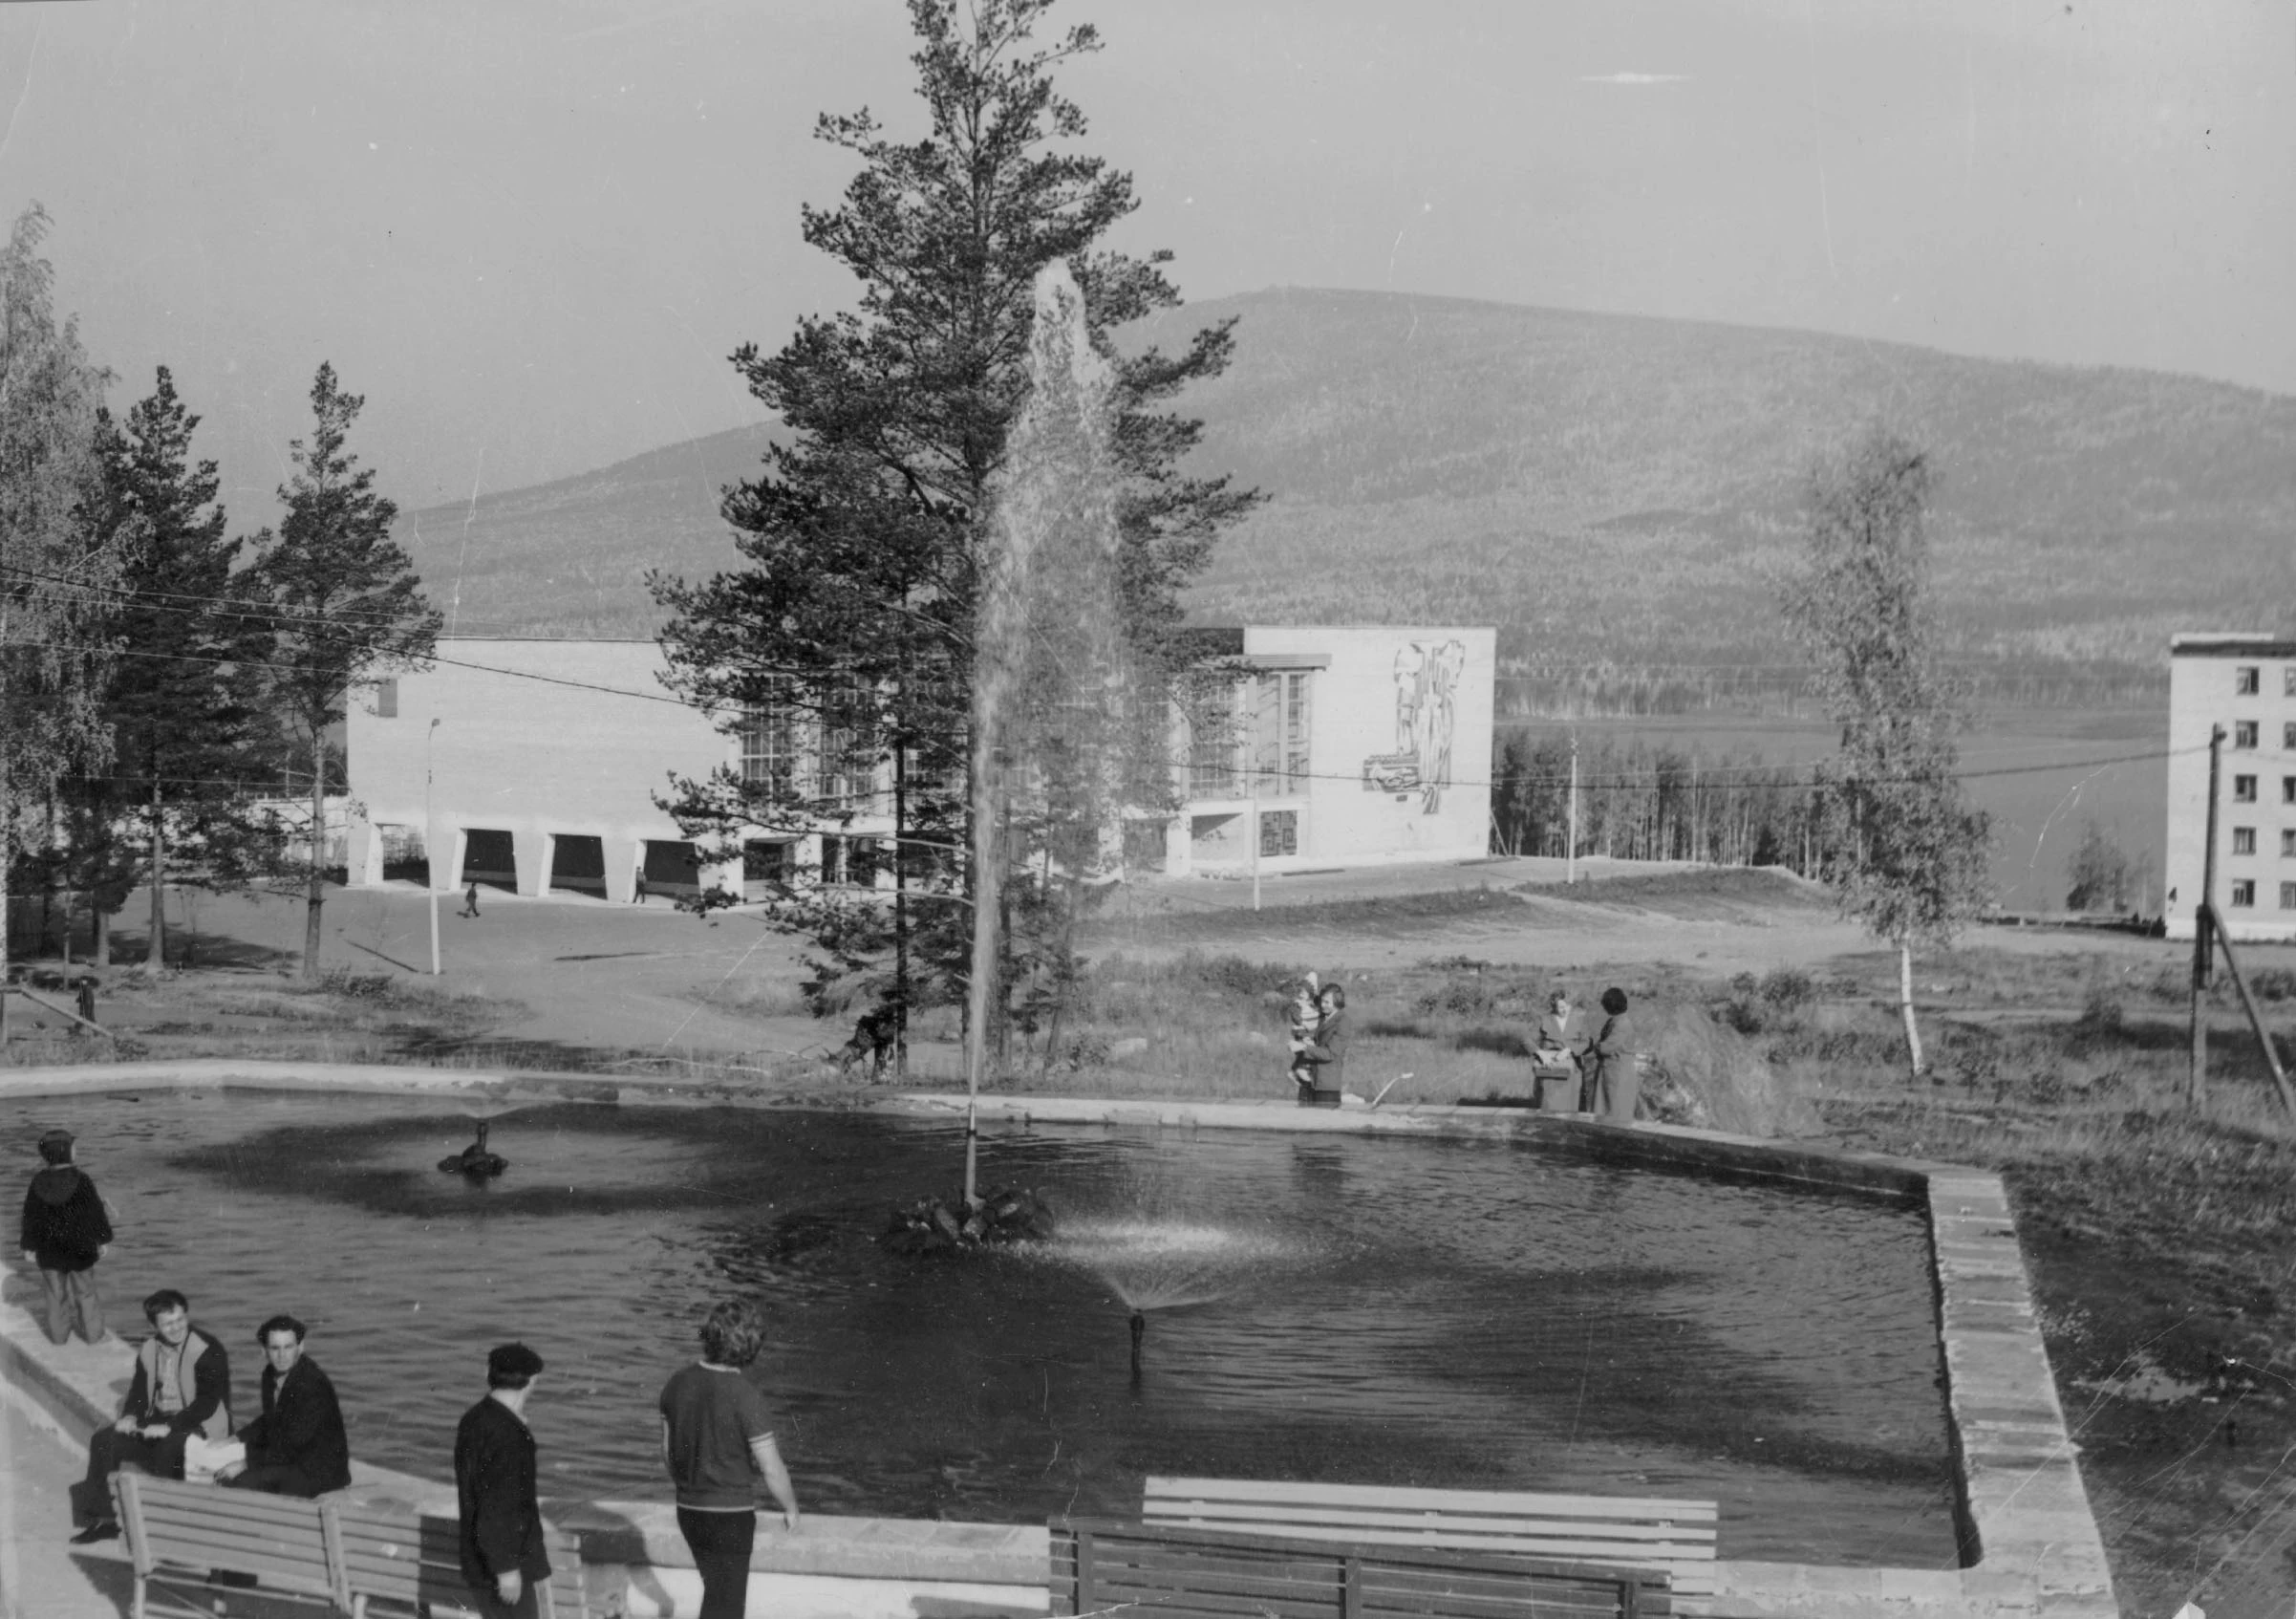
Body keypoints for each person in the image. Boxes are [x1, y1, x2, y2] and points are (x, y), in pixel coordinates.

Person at [659, 1301, 803, 1619]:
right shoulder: (746, 1396)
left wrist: (691, 1486)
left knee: (716, 1595)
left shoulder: (676, 1383)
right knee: (726, 1606)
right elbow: (772, 1469)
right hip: (730, 1516)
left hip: (688, 1510)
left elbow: (668, 1454)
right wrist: (791, 1507)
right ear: (751, 1347)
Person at [71, 1289, 233, 1542]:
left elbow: (208, 1402)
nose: (176, 1328)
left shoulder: (208, 1349)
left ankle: (167, 1528)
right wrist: (130, 1416)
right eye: (168, 1324)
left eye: (180, 1320)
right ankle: (105, 1519)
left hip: (200, 1423)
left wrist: (171, 1426)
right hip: (162, 1420)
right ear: (153, 1326)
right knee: (104, 1441)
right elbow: (139, 1392)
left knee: (168, 1448)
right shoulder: (149, 1348)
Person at [455, 1343, 551, 1619]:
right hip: (505, 1565)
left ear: (488, 1373)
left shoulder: (474, 1419)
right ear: (532, 1381)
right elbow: (498, 1506)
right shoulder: (509, 1435)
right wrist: (507, 1570)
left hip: (478, 1560)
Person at [215, 1315, 352, 1498]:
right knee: (222, 1470)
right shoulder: (269, 1375)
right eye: (275, 1348)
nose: (282, 1355)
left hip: (319, 1471)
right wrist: (236, 1438)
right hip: (292, 1460)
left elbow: (292, 1444)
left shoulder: (312, 1384)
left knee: (240, 1482)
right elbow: (272, 1418)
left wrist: (246, 1463)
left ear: (300, 1347)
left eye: (288, 1347)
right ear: (264, 1351)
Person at [20, 1127, 113, 1346]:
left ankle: (59, 1336)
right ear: (65, 1152)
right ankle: (94, 1335)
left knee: (55, 1294)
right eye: (73, 1147)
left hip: (49, 1249)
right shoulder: (82, 1180)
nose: (76, 1150)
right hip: (80, 1247)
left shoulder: (38, 1181)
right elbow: (94, 1212)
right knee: (85, 1292)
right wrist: (102, 1239)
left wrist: (29, 1246)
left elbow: (30, 1215)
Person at [1584, 986, 1639, 1122]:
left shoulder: (1622, 1024)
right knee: (1607, 1110)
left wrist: (1589, 1050)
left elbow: (1606, 1047)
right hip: (1611, 1071)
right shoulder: (1615, 1021)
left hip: (1618, 1073)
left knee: (1615, 1111)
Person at [1530, 991, 1587, 1112]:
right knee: (1547, 1108)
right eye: (1561, 1007)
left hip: (1571, 1072)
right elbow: (1526, 1040)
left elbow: (1587, 1042)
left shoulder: (1579, 1020)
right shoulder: (1544, 1019)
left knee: (1570, 1111)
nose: (1565, 1010)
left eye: (1568, 1006)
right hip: (1549, 1070)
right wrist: (1541, 1053)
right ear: (1553, 1006)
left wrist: (1570, 1050)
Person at [1298, 982, 1348, 1109]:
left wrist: (1305, 1048)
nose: (1322, 1005)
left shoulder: (1343, 1022)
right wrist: (1309, 1042)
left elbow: (1330, 1054)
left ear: (1337, 1001)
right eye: (1321, 1001)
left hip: (1327, 1086)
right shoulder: (1324, 1018)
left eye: (1326, 1002)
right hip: (1312, 1080)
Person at [1284, 973, 1322, 1098]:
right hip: (1304, 1037)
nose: (1301, 993)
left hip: (1311, 1037)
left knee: (1307, 1062)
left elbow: (1316, 1021)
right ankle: (1304, 1082)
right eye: (1301, 991)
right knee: (1303, 1060)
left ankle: (1307, 1083)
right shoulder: (1298, 1004)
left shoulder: (1315, 1005)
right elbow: (1298, 1019)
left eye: (1304, 991)